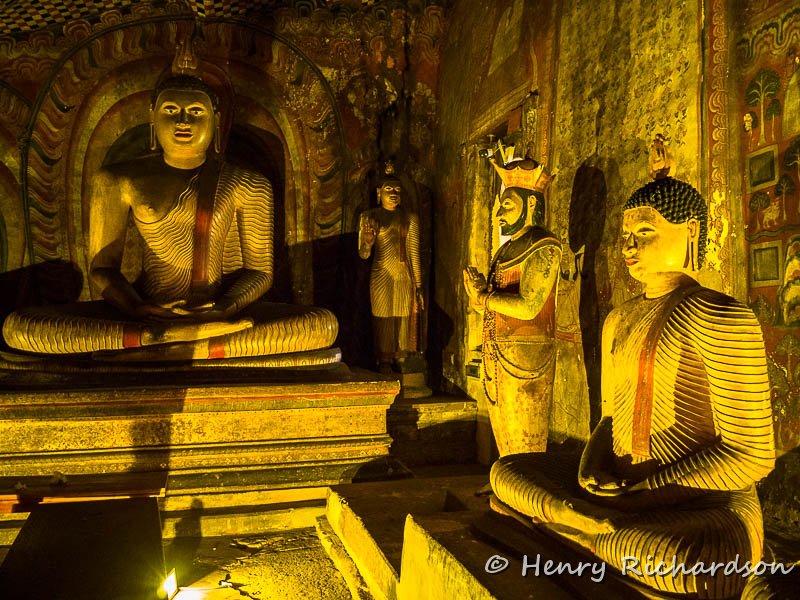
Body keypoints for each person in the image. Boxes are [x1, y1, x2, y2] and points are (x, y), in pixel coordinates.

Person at [489, 174, 776, 599]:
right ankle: (589, 527)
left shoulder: (721, 315)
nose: (628, 246)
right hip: (618, 490)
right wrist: (589, 468)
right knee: (506, 472)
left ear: (690, 231)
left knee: (688, 559)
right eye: (625, 235)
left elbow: (750, 455)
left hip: (699, 503)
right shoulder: (617, 319)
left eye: (644, 232)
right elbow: (609, 417)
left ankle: (580, 529)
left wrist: (646, 492)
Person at [2, 46, 337, 361]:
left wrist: (223, 308)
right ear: (152, 117)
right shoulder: (118, 180)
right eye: (171, 111)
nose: (183, 122)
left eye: (195, 112)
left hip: (221, 312)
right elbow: (102, 269)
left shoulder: (247, 183)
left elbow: (260, 272)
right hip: (147, 313)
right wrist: (137, 308)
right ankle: (174, 341)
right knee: (21, 328)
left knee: (320, 326)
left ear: (216, 120)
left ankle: (156, 347)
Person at [463, 158, 560, 455]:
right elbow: (494, 307)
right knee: (504, 437)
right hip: (497, 351)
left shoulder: (543, 244)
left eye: (507, 204)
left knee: (524, 442)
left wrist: (485, 298)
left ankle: (524, 478)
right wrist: (478, 295)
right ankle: (504, 476)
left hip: (526, 354)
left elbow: (529, 306)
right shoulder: (506, 249)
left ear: (531, 204)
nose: (499, 213)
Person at [358, 163, 424, 372]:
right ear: (379, 193)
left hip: (403, 273)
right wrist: (367, 243)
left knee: (403, 315)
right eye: (389, 189)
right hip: (381, 272)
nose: (394, 193)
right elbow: (363, 254)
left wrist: (419, 285)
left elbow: (414, 253)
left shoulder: (410, 218)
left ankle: (402, 356)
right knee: (383, 316)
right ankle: (385, 358)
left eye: (397, 189)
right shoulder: (369, 217)